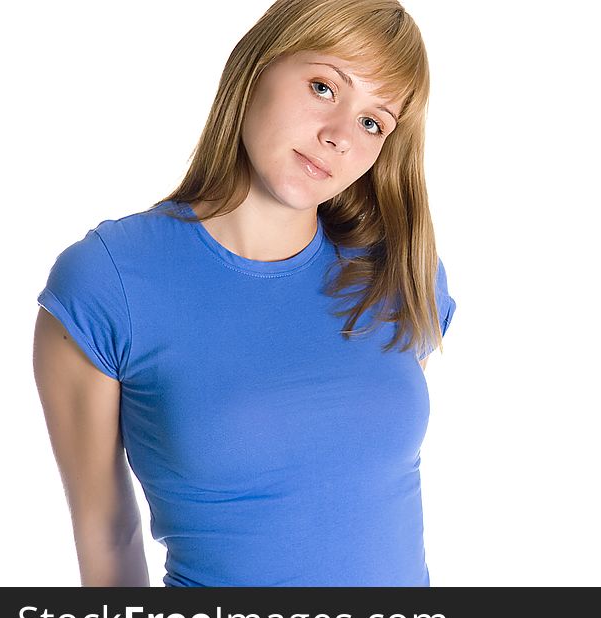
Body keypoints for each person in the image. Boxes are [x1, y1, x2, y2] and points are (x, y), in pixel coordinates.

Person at [31, 0, 456, 587]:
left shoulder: (400, 272)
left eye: (372, 122)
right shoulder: (110, 281)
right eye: (324, 87)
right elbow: (107, 535)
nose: (338, 138)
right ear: (256, 66)